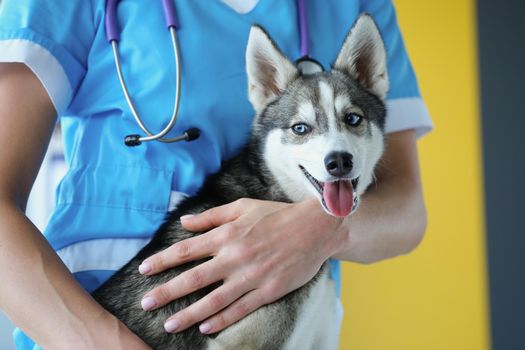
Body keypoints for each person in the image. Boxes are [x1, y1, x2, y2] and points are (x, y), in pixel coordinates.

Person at [0, 0, 432, 349]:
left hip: (282, 328)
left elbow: (406, 211)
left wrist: (322, 229)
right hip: (92, 324)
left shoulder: (354, 7)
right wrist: (102, 342)